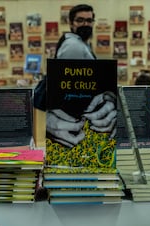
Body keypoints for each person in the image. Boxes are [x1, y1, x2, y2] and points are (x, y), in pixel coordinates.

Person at [45, 4, 116, 148]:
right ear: (71, 23)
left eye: (89, 21)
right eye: (80, 20)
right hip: (76, 116)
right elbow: (70, 84)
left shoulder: (79, 43)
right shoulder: (74, 46)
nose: (86, 24)